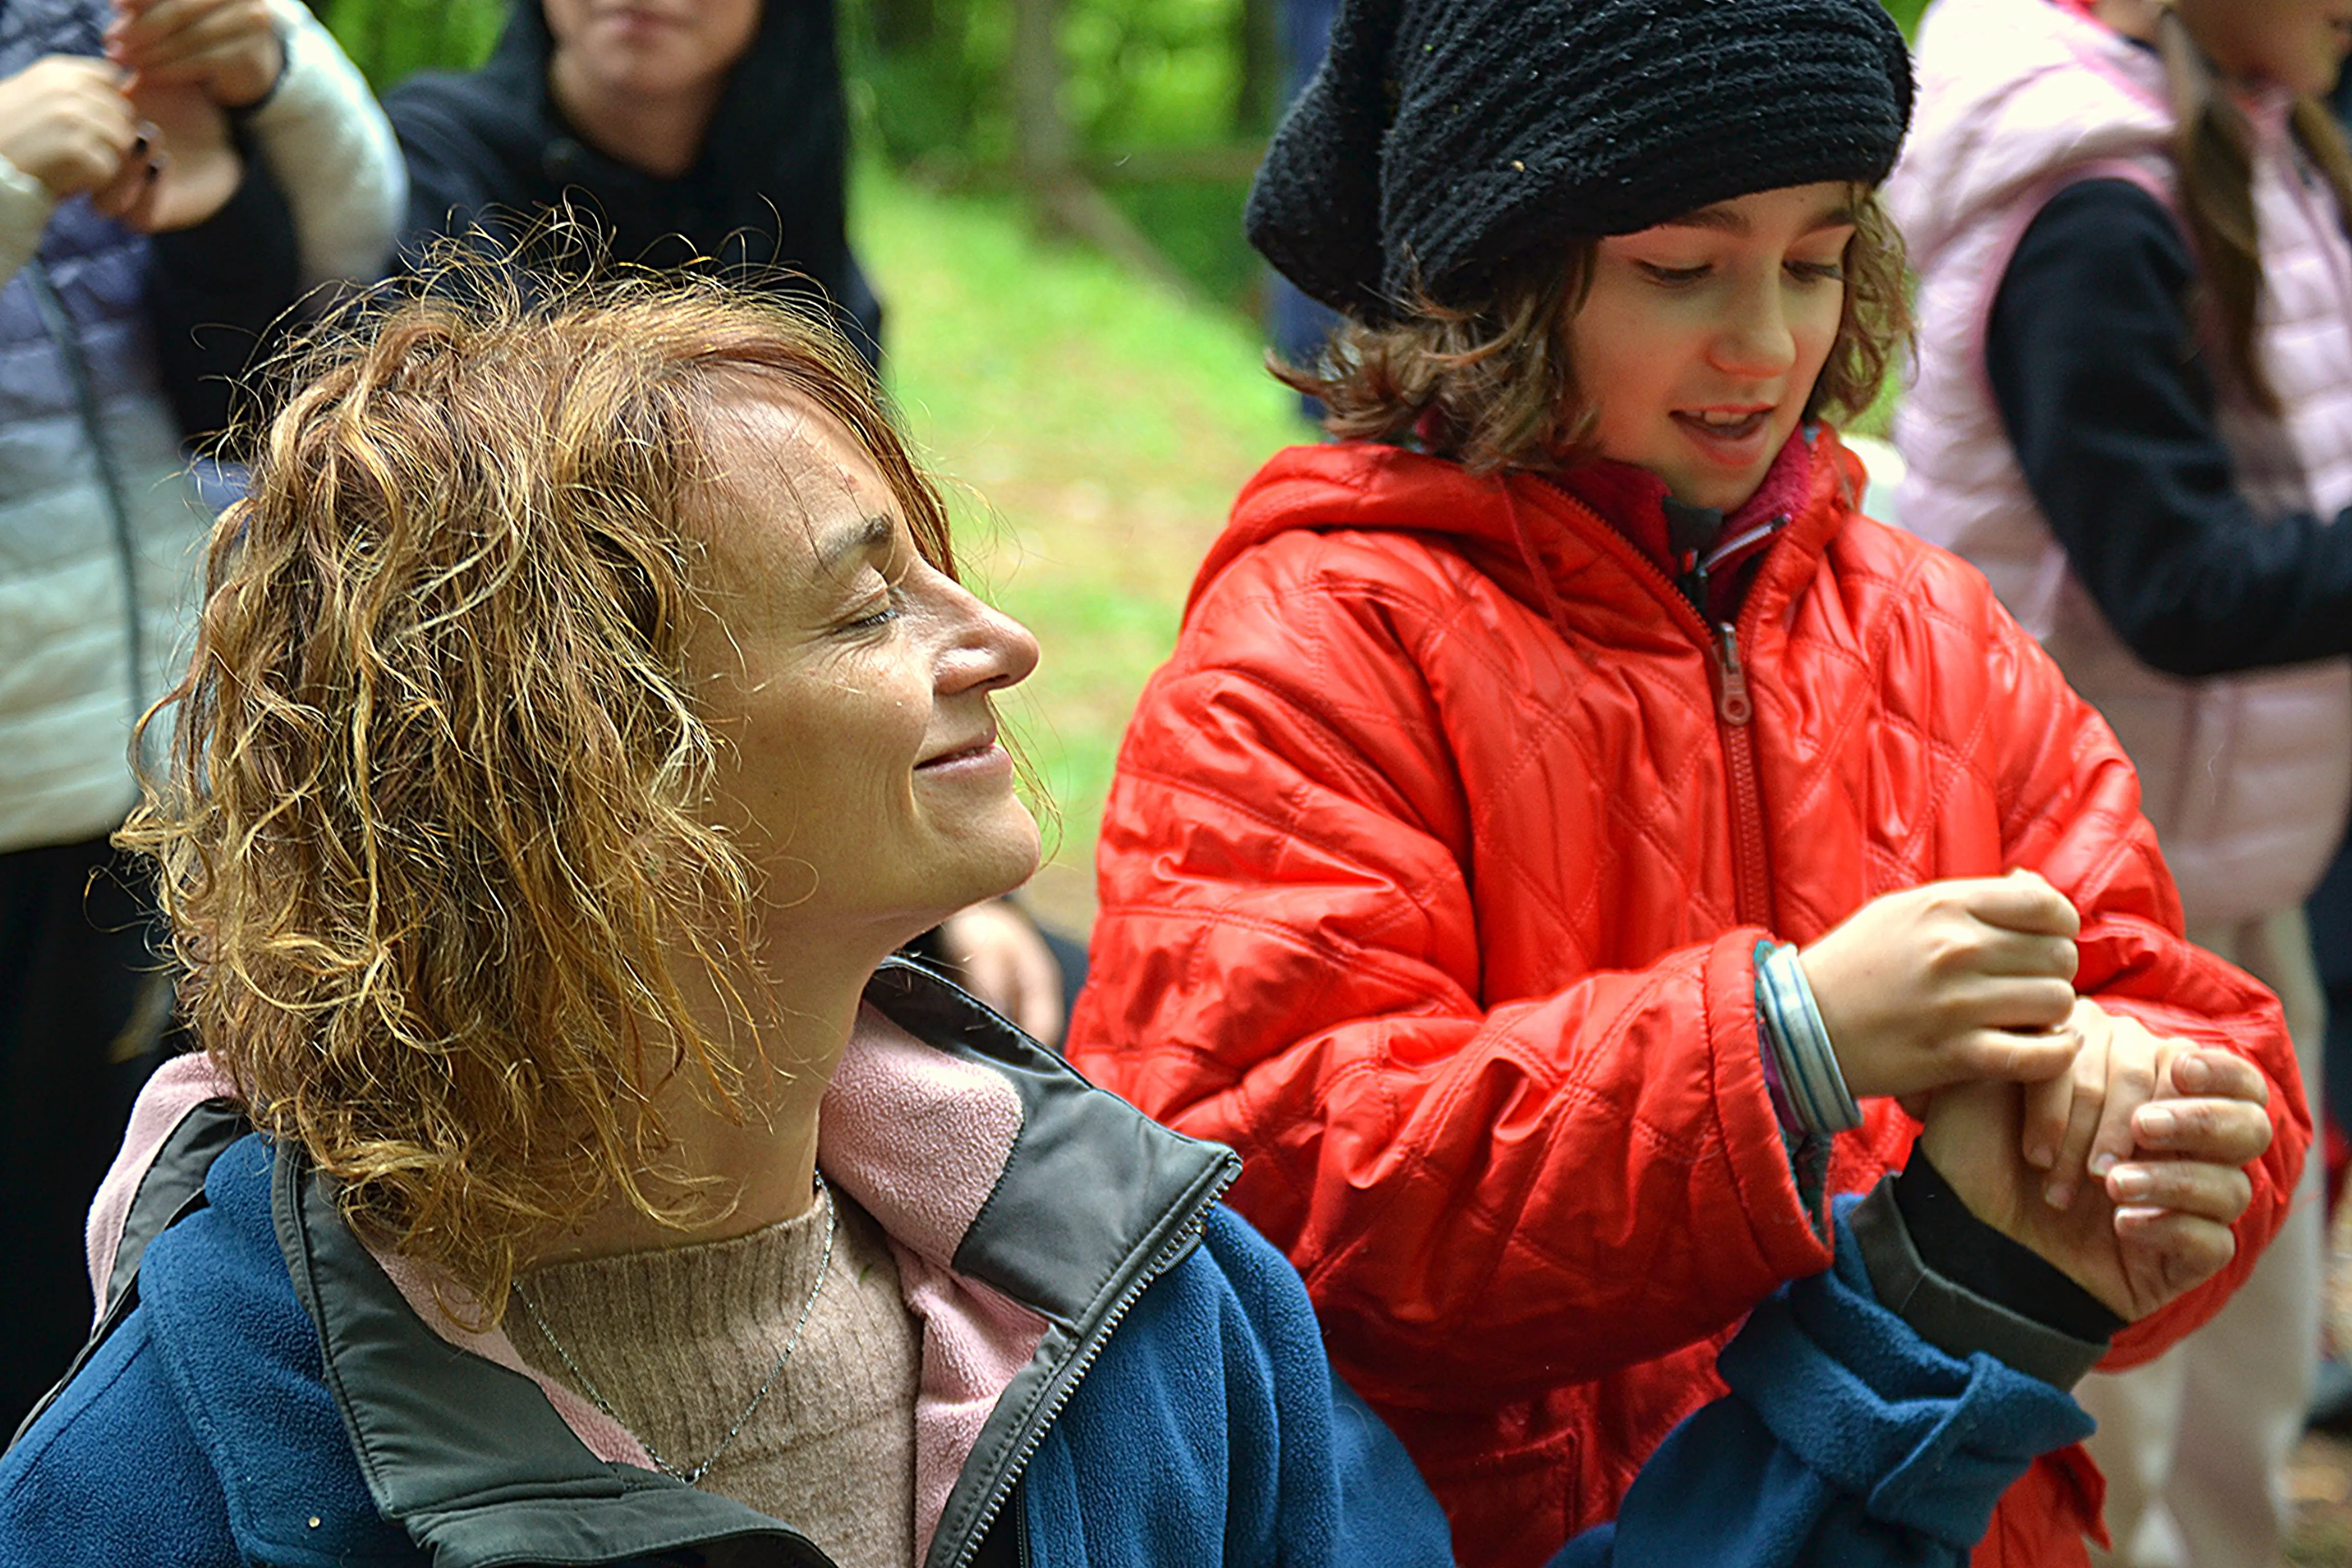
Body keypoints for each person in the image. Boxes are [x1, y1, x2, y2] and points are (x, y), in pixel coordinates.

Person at [0, 275, 2273, 1568]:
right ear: (589, 766)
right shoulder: (177, 1482)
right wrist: (1773, 1043)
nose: (995, 641)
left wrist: (1965, 1285)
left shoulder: (1162, 1331)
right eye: (866, 601)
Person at [1062, 0, 2309, 1563]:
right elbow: (1262, 1221)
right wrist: (1787, 1046)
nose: (1771, 344)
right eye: (1680, 269)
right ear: (1496, 275)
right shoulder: (1316, 650)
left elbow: (2196, 1027)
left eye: (1816, 258)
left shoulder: (1935, 629)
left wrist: (2147, 1139)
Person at [1889, 0, 2352, 1558]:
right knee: (2116, 1422)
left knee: (2250, 1367)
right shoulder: (2095, 201)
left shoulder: (2251, 133)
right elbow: (2175, 583)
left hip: (2232, 880)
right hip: (2091, 919)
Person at [0, 0, 400, 1437]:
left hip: (187, 767)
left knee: (156, 1248)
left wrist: (278, 72)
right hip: (20, 790)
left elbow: (355, 229)